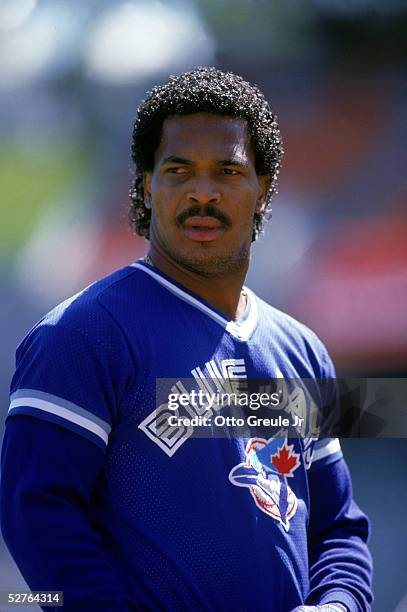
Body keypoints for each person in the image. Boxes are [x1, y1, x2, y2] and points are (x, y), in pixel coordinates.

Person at [1, 67, 372, 611]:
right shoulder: (83, 334)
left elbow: (338, 528)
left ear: (262, 188)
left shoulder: (303, 350)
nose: (203, 192)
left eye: (227, 170)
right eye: (178, 170)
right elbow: (34, 511)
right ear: (148, 184)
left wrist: (337, 606)